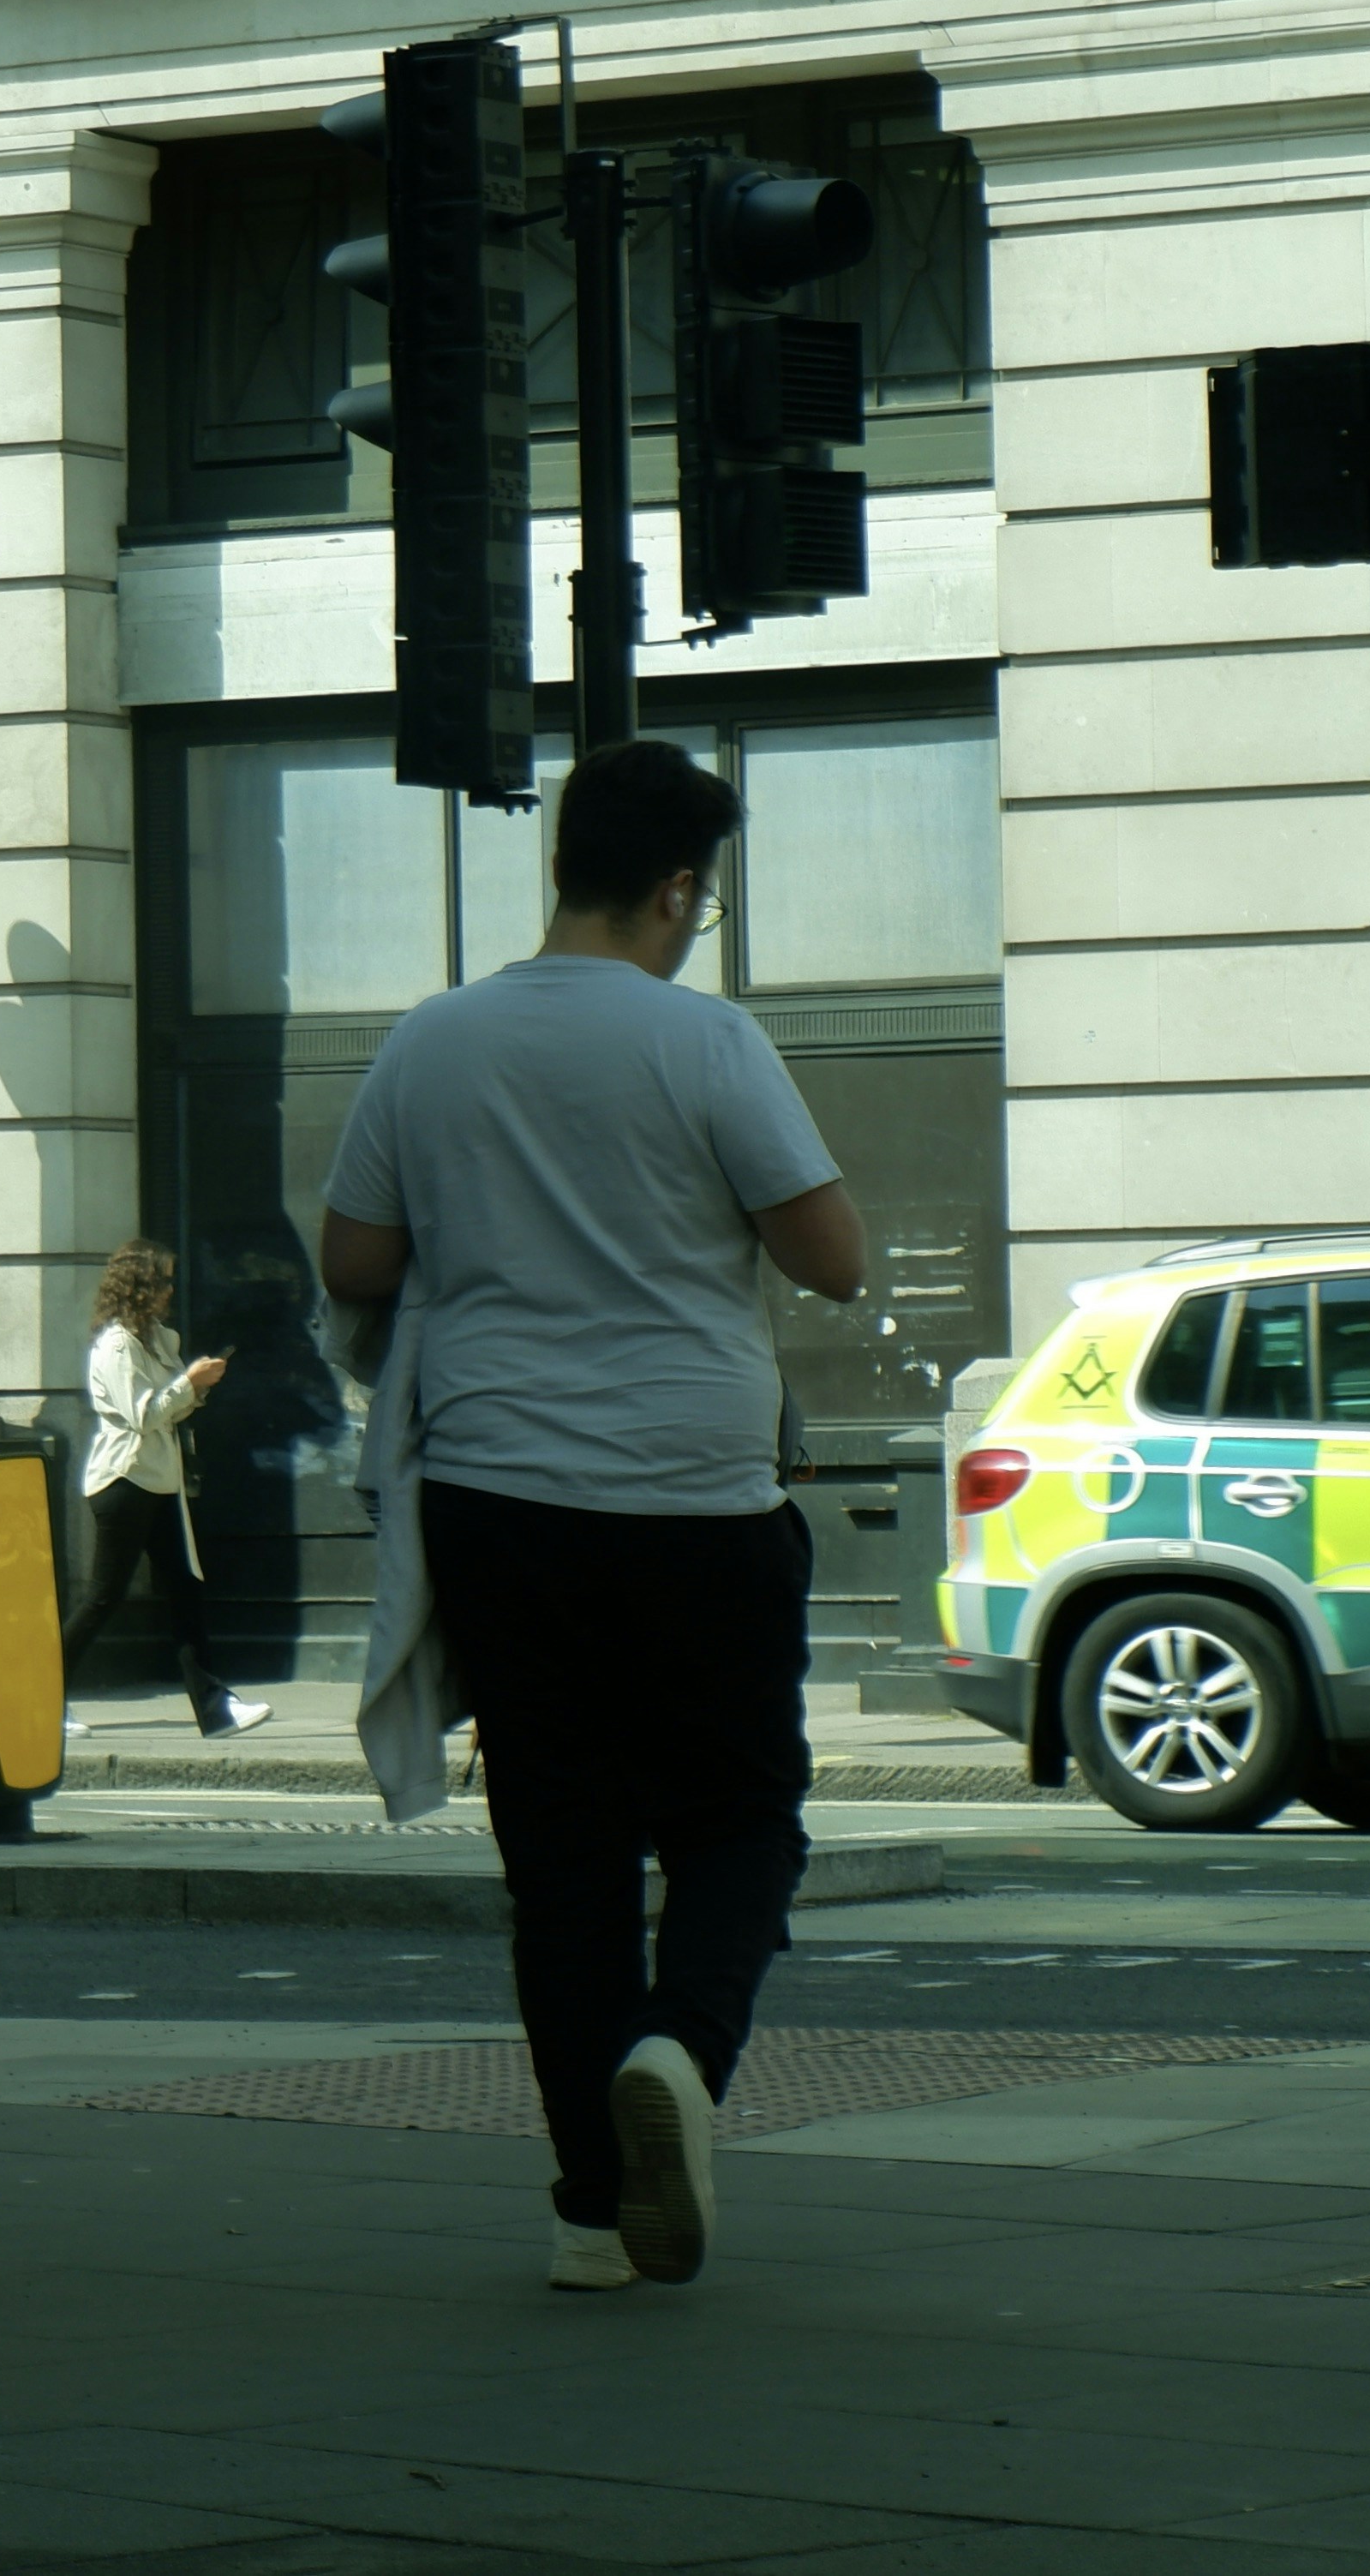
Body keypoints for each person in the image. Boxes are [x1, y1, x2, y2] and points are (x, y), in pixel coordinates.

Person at [319, 739, 864, 2297]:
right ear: (678, 885)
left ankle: (584, 2214)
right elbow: (828, 1253)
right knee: (739, 1813)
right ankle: (681, 2057)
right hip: (696, 1489)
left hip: (500, 1493)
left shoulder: (428, 1040)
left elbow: (354, 1260)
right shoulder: (706, 1040)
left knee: (558, 1854)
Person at [57, 1239, 269, 1740]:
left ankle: (216, 1709)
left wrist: (196, 1387)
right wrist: (189, 1383)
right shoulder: (116, 1345)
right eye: (163, 1280)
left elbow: (168, 1410)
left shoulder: (154, 1337)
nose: (171, 1289)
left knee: (184, 1591)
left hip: (158, 1479)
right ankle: (37, 1698)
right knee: (104, 1598)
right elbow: (144, 1415)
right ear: (139, 1286)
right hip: (126, 1479)